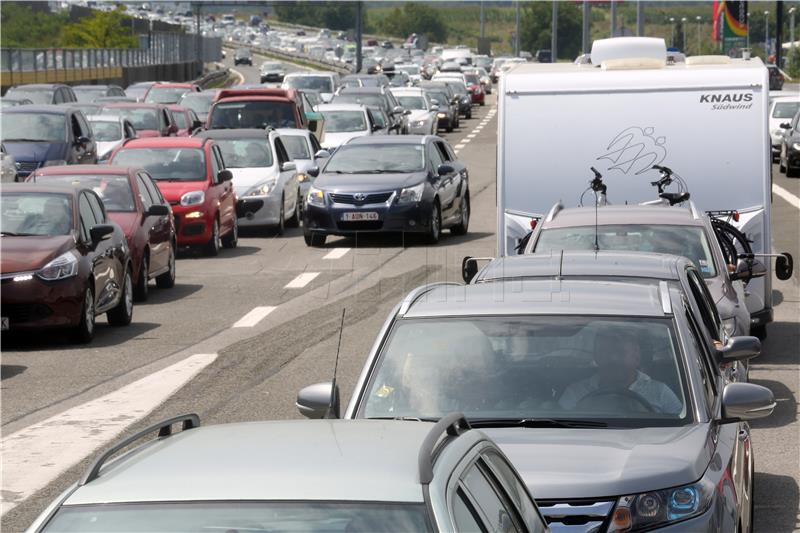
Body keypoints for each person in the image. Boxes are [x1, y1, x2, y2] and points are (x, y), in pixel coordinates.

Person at [559, 329, 682, 415]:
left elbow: (684, 431)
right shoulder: (575, 393)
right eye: (605, 352)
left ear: (637, 357)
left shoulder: (660, 392)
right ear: (596, 356)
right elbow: (560, 431)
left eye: (620, 352)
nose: (613, 358)